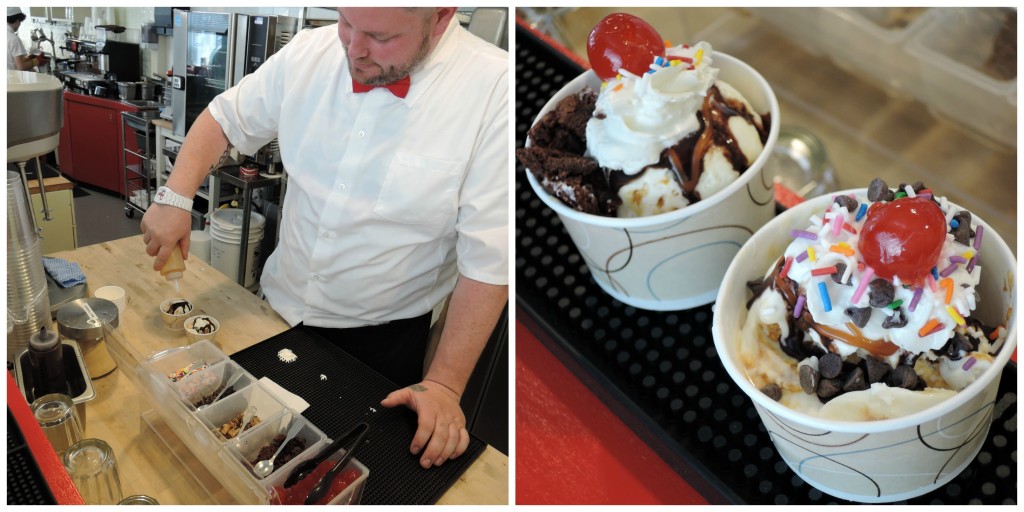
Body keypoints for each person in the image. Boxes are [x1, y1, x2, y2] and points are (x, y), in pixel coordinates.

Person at [141, 8, 508, 470]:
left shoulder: (495, 89)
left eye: (379, 35)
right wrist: (175, 196)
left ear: (440, 18)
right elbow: (224, 118)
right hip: (272, 308)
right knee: (230, 462)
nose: (353, 48)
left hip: (379, 344)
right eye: (346, 23)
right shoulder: (309, 52)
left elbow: (489, 261)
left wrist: (445, 386)